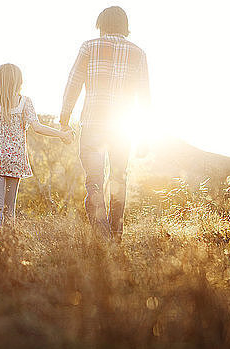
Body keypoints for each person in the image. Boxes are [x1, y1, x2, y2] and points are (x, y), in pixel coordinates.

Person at [59, 6, 151, 239]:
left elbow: (73, 85)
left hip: (93, 125)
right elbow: (144, 97)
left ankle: (101, 235)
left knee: (94, 181)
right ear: (125, 27)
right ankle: (115, 237)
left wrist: (64, 120)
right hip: (122, 129)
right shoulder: (138, 53)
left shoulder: (89, 47)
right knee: (119, 178)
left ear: (101, 25)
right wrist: (145, 135)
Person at [0, 63, 73, 227]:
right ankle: (9, 246)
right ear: (19, 81)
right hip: (15, 160)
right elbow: (37, 128)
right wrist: (61, 134)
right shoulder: (25, 102)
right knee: (10, 208)